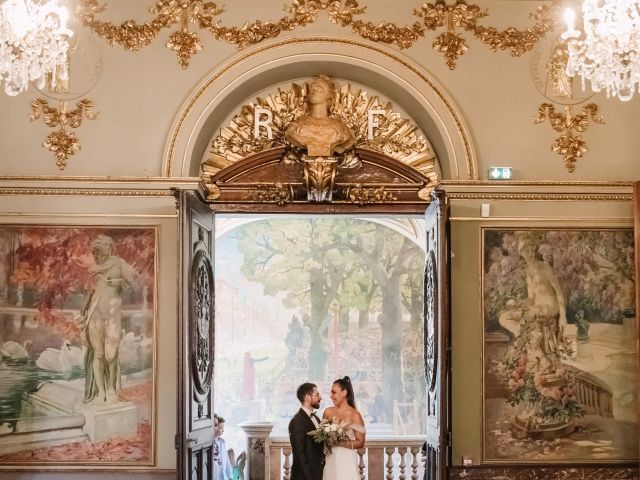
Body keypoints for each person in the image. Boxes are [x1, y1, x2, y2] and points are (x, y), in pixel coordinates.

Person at [80, 235, 137, 405]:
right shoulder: (92, 268)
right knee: (98, 353)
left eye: (100, 251)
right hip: (95, 313)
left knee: (111, 354)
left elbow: (133, 283)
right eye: (95, 252)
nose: (97, 255)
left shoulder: (119, 263)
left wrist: (118, 282)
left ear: (109, 249)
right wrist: (82, 313)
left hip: (112, 313)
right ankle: (101, 393)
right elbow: (88, 293)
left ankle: (112, 389)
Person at [517, 235, 567, 376]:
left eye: (531, 247)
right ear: (521, 253)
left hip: (549, 309)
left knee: (536, 335)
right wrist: (520, 303)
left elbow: (558, 290)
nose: (530, 251)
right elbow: (531, 299)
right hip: (538, 311)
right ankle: (542, 367)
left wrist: (563, 316)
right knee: (521, 326)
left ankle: (547, 367)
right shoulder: (528, 272)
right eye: (525, 249)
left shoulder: (544, 267)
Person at [285, 75, 355, 157]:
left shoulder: (340, 127)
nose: (314, 91)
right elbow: (290, 134)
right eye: (313, 89)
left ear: (328, 95)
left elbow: (348, 140)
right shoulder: (298, 124)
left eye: (319, 89)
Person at [322, 376, 365, 480]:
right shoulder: (327, 412)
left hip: (347, 463)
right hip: (330, 461)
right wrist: (325, 445)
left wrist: (339, 442)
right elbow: (322, 436)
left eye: (334, 392)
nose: (330, 396)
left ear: (344, 393)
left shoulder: (355, 415)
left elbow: (360, 442)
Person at [289, 382, 324, 480]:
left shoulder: (316, 418)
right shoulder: (296, 421)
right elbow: (299, 455)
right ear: (307, 397)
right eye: (317, 395)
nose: (320, 398)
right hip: (304, 476)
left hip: (318, 473)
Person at [213, 414, 233, 480]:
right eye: (221, 428)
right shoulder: (209, 443)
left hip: (223, 476)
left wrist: (230, 476)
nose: (223, 430)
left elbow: (227, 460)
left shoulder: (222, 442)